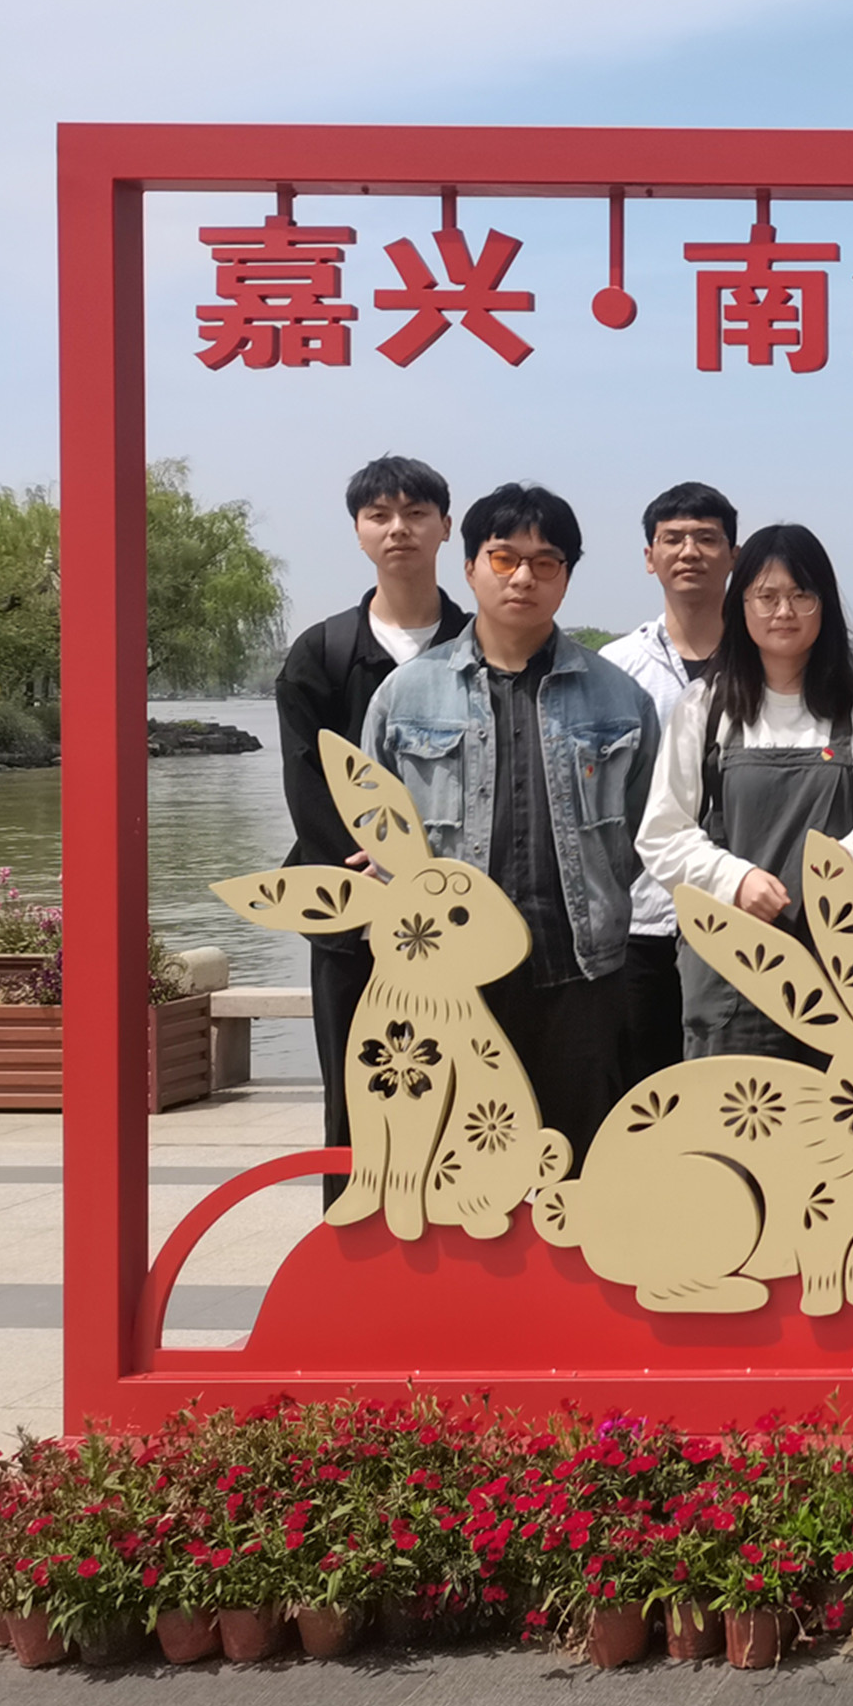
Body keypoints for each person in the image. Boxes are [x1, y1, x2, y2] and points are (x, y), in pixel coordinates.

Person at [362, 484, 656, 1169]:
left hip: (580, 976)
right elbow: (379, 829)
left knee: (578, 1177)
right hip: (445, 982)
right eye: (504, 558)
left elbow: (642, 835)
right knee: (456, 1174)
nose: (523, 577)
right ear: (470, 568)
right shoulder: (406, 694)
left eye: (545, 562)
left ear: (566, 577)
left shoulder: (620, 698)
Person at [273, 456, 468, 1207]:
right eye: (379, 515)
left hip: (456, 912)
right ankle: (348, 1246)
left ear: (445, 527)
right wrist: (375, 870)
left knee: (461, 1091)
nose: (399, 529)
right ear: (357, 532)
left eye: (416, 514)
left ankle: (459, 1245)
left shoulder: (479, 643)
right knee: (355, 1090)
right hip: (349, 912)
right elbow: (306, 780)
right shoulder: (321, 653)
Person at [636, 523, 853, 1059]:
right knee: (736, 1106)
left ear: (825, 605)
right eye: (766, 597)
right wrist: (734, 879)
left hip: (841, 963)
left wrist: (843, 859)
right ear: (740, 606)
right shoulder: (706, 705)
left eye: (802, 595)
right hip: (729, 962)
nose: (784, 612)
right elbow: (662, 834)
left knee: (841, 1106)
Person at [600, 483, 739, 1089]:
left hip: (740, 914)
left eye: (707, 538)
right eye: (673, 539)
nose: (690, 551)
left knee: (732, 1096)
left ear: (733, 556)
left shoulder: (770, 661)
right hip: (640, 919)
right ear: (649, 557)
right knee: (641, 1098)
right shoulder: (614, 669)